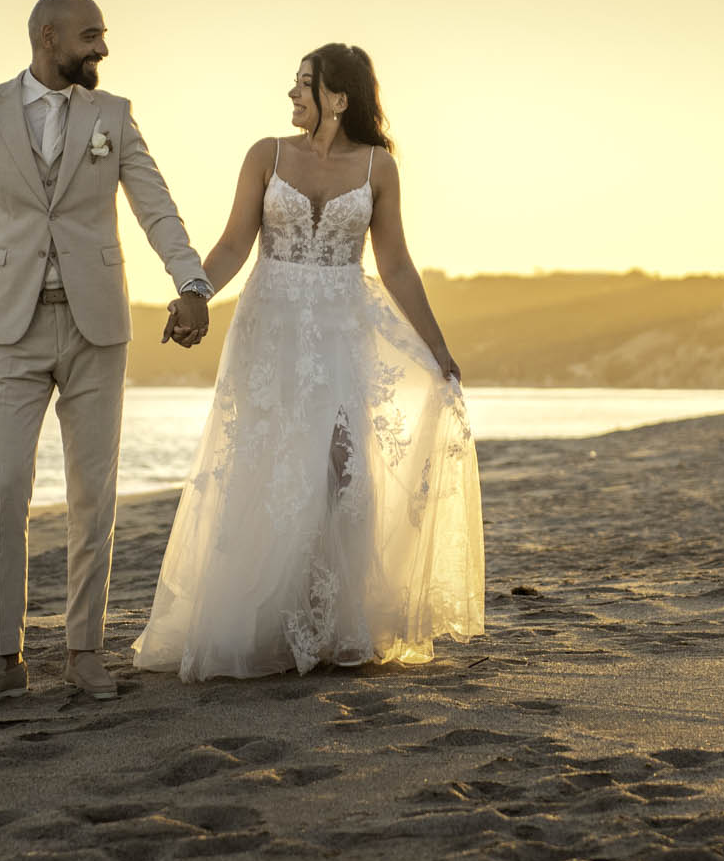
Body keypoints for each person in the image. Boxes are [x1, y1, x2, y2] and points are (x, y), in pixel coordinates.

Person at [132, 44, 484, 680]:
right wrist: (193, 296)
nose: (292, 95)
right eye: (294, 84)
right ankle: (261, 624)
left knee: (342, 473)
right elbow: (236, 242)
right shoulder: (266, 156)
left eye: (304, 85)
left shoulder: (379, 168)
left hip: (342, 330)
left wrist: (437, 347)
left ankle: (327, 621)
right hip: (270, 330)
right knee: (265, 463)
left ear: (339, 98)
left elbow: (397, 264)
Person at [0, 0, 213, 704]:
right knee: (4, 486)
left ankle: (83, 648)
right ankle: (5, 656)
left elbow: (154, 203)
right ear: (47, 36)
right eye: (91, 34)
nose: (101, 47)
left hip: (97, 325)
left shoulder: (113, 116)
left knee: (92, 493)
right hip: (10, 326)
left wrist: (191, 280)